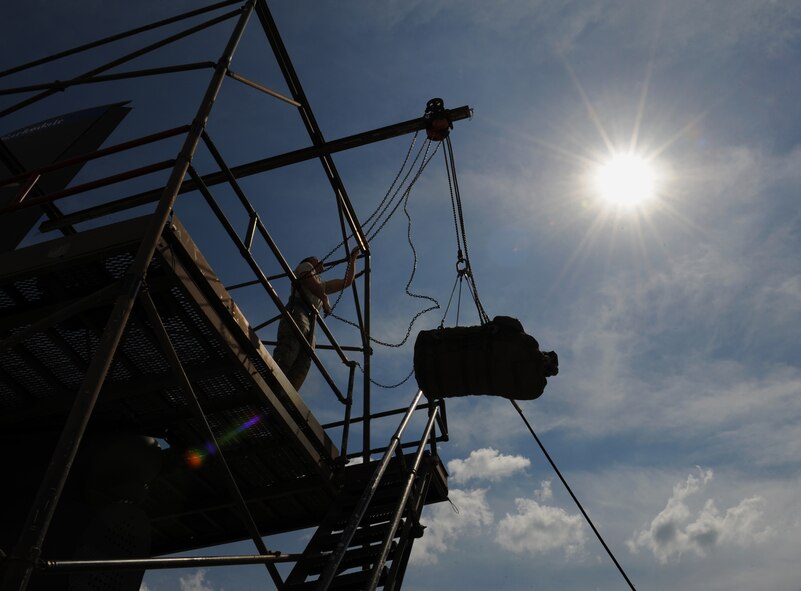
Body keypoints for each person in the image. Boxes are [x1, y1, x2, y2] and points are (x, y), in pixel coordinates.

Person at [273, 247, 361, 391]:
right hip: (298, 311)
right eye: (315, 258)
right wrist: (324, 298)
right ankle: (274, 380)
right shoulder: (305, 267)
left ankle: (288, 393)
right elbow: (309, 283)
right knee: (290, 347)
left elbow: (346, 282)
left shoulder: (322, 283)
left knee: (304, 359)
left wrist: (353, 259)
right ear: (309, 260)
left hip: (310, 320)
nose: (320, 261)